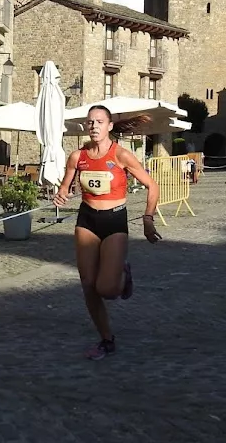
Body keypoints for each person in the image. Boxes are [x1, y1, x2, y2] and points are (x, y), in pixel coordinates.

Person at [53, 106, 161, 361]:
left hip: (114, 220)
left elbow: (152, 185)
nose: (94, 126)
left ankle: (123, 275)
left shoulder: (121, 155)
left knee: (108, 289)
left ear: (109, 126)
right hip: (87, 220)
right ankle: (106, 339)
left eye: (99, 122)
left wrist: (148, 218)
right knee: (88, 286)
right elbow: (65, 187)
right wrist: (61, 194)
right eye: (90, 122)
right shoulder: (77, 156)